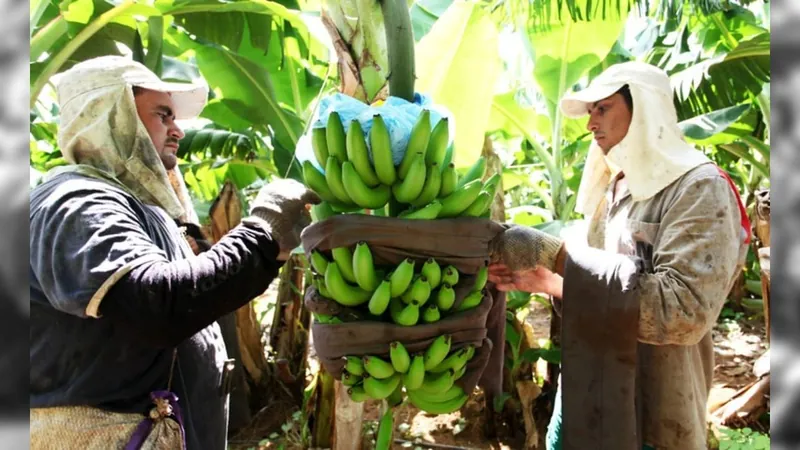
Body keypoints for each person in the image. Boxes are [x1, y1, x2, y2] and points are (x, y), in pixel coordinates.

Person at [29, 56, 320, 449]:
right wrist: (261, 233)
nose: (178, 130)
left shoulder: (131, 207)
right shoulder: (78, 201)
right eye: (162, 115)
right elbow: (157, 305)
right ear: (112, 115)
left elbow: (192, 298)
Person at [489, 61, 750, 450]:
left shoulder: (698, 189)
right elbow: (603, 287)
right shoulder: (616, 188)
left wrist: (559, 257)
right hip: (587, 392)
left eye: (603, 108)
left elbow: (683, 312)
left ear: (643, 107)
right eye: (591, 111)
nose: (591, 123)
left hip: (654, 411)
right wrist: (552, 282)